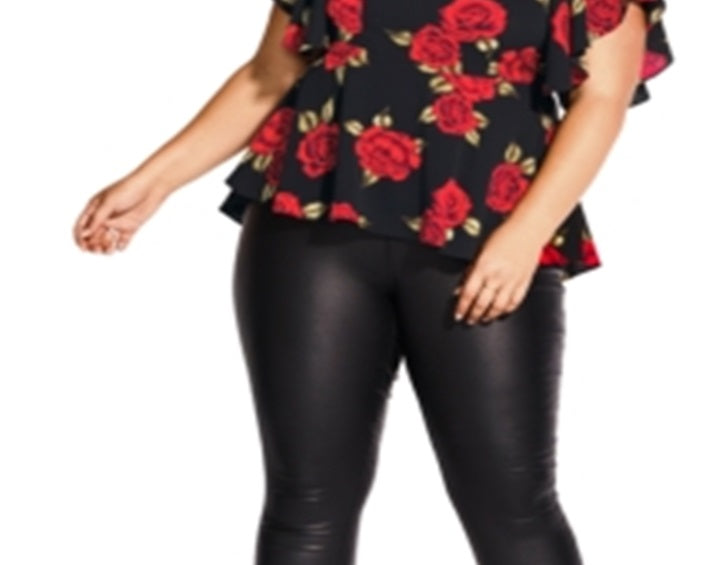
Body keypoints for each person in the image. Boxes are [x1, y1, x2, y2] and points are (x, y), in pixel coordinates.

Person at [72, 0, 674, 563]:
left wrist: (525, 235)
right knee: (304, 506)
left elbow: (603, 96)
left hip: (486, 235)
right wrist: (151, 183)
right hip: (308, 219)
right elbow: (269, 75)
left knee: (511, 509)